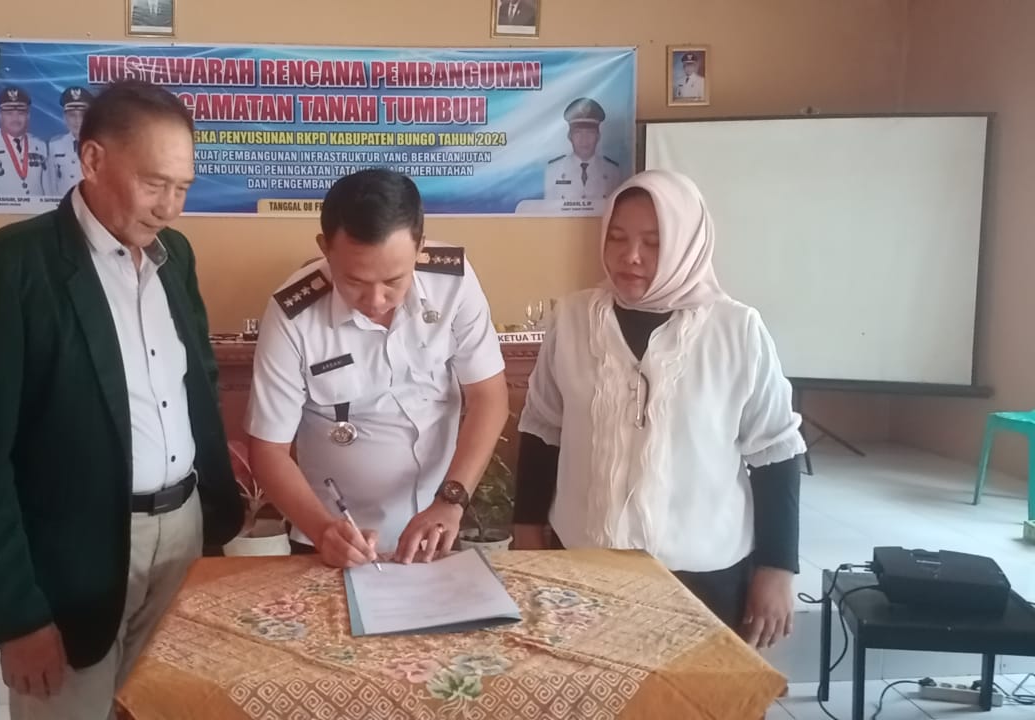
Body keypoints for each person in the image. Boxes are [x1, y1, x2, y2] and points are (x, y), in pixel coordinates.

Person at [0, 79, 244, 720]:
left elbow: (196, 382)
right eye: (155, 183)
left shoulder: (175, 257)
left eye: (183, 188)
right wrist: (16, 617)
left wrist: (217, 512)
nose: (170, 208)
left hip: (183, 533)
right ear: (93, 159)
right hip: (76, 553)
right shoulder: (6, 269)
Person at [512, 169, 805, 651]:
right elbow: (543, 429)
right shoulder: (572, 319)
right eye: (617, 237)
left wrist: (777, 568)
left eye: (653, 242)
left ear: (687, 243)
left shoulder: (737, 330)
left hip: (702, 576)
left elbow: (775, 451)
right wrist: (526, 533)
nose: (631, 256)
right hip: (581, 565)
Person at [245, 169, 510, 568]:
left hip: (438, 526)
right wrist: (323, 531)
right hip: (333, 539)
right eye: (354, 281)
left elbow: (488, 397)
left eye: (393, 280)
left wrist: (450, 500)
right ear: (325, 248)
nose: (376, 300)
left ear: (420, 247)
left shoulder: (453, 283)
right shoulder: (293, 315)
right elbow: (268, 449)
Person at [0, 86, 49, 198]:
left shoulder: (40, 145)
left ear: (28, 116)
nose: (15, 118)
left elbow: (48, 190)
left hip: (37, 208)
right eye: (9, 113)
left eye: (20, 113)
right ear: (0, 116)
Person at [544, 98, 625, 204]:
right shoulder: (554, 170)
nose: (584, 140)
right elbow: (549, 209)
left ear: (598, 136)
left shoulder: (612, 171)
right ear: (569, 136)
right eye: (578, 133)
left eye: (590, 133)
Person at [46, 86, 93, 198]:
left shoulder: (99, 145)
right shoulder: (54, 145)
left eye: (82, 115)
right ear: (64, 117)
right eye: (72, 115)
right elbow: (50, 185)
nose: (77, 121)